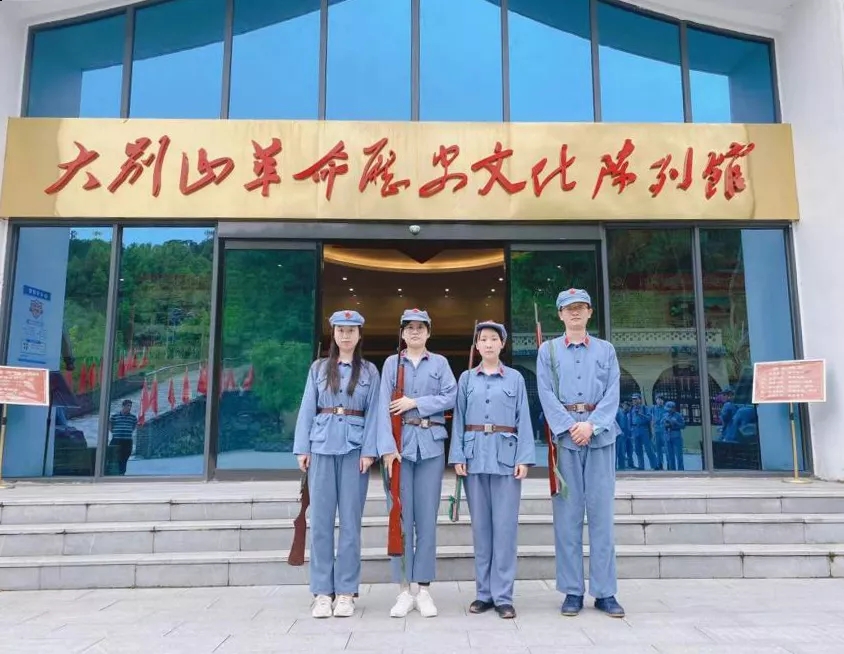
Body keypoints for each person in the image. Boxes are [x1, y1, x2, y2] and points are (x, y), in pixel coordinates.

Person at [536, 288, 624, 618]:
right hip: (565, 441)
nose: (574, 312)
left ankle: (605, 592)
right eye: (568, 308)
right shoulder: (548, 351)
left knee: (601, 518)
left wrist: (592, 425)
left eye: (580, 307)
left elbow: (613, 392)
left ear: (590, 312)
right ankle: (572, 590)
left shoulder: (606, 350)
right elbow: (545, 392)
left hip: (600, 438)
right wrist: (569, 426)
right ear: (560, 314)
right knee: (567, 519)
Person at [292, 309, 380, 619]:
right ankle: (321, 592)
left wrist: (370, 451)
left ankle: (345, 592)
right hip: (321, 447)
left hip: (355, 450)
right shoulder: (319, 368)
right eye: (340, 330)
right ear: (334, 334)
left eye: (351, 330)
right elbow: (307, 407)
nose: (345, 335)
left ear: (359, 335)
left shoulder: (369, 371)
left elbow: (375, 413)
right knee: (320, 522)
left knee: (351, 524)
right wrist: (302, 448)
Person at [449, 320, 535, 619]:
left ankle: (503, 596)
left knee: (505, 530)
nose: (488, 343)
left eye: (493, 339)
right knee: (481, 530)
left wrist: (524, 458)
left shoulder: (515, 378)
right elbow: (459, 418)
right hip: (474, 458)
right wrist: (457, 455)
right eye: (483, 339)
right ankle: (483, 593)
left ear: (502, 344)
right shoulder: (466, 379)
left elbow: (524, 418)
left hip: (506, 459)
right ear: (476, 345)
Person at [378, 308, 457, 618]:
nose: (414, 332)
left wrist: (416, 403)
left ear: (428, 332)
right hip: (399, 449)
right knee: (399, 519)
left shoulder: (439, 363)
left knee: (426, 520)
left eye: (420, 327)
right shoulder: (391, 364)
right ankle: (402, 590)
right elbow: (381, 406)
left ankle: (423, 589)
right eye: (409, 327)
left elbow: (451, 395)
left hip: (430, 447)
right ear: (402, 333)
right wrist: (386, 448)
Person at [108, 399, 138, 475]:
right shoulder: (114, 416)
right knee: (114, 457)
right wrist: (116, 432)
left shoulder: (133, 417)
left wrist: (127, 431)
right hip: (117, 440)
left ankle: (122, 473)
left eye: (130, 406)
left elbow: (134, 426)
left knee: (125, 458)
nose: (129, 408)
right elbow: (110, 426)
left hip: (127, 441)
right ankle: (114, 473)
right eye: (128, 406)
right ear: (123, 406)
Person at [663, 400, 686, 471]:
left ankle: (681, 471)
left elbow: (683, 426)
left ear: (673, 408)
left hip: (676, 436)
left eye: (670, 409)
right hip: (667, 436)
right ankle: (672, 471)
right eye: (667, 409)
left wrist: (676, 422)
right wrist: (665, 424)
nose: (668, 411)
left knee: (679, 455)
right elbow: (661, 424)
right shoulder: (665, 415)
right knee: (670, 455)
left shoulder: (678, 415)